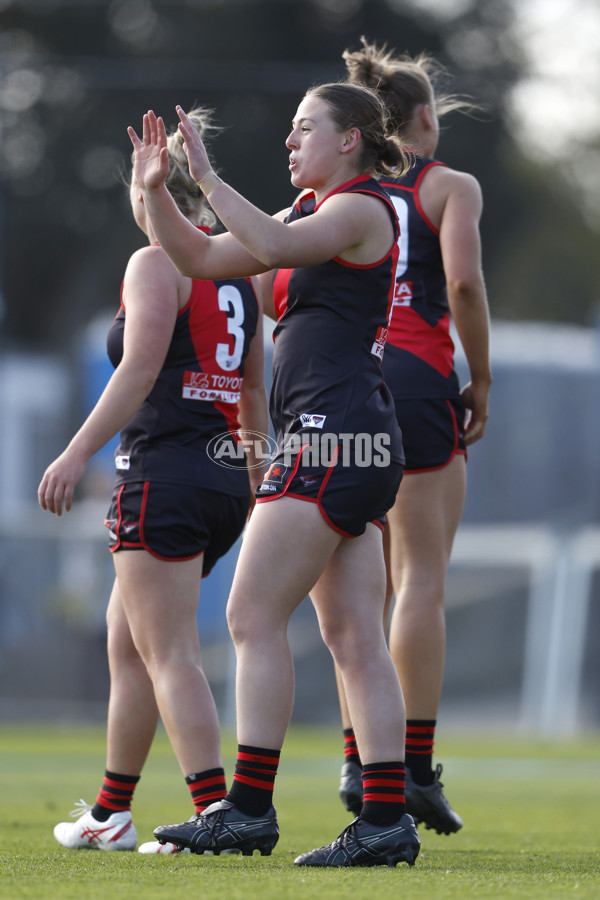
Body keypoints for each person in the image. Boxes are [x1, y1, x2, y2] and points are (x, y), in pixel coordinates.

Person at [127, 81, 422, 868]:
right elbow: (202, 256)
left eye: (303, 130)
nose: (290, 143)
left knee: (251, 615)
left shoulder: (363, 208)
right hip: (344, 439)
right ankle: (386, 821)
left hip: (334, 436)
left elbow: (278, 248)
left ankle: (249, 810)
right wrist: (161, 193)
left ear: (351, 139)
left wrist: (211, 175)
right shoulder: (303, 215)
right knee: (355, 634)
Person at [38, 108, 268, 854]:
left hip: (162, 472)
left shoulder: (154, 262)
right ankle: (111, 810)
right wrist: (261, 478)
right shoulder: (239, 271)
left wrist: (76, 453)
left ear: (155, 196)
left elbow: (138, 371)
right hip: (221, 480)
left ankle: (216, 814)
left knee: (167, 650)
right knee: (128, 643)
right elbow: (254, 395)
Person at [334, 38, 491, 835]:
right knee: (420, 580)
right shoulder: (448, 187)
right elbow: (460, 282)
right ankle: (415, 771)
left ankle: (361, 758)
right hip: (421, 379)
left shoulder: (343, 191)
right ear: (427, 116)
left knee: (360, 582)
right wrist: (483, 377)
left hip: (347, 382)